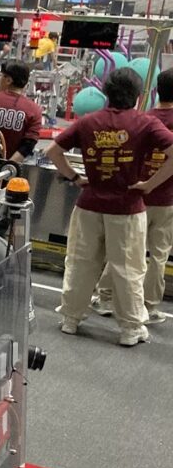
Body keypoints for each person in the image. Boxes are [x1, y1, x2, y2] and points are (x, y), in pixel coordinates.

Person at [46, 68, 173, 347]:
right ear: (138, 96)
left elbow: (53, 151)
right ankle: (130, 329)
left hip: (89, 205)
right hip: (127, 208)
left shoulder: (89, 121)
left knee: (81, 263)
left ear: (106, 92)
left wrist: (75, 177)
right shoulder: (145, 123)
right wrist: (150, 184)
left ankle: (71, 319)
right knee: (128, 268)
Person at [92, 67, 173, 324]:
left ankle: (105, 297)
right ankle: (148, 305)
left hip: (137, 197)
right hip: (167, 199)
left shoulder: (143, 118)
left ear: (156, 90)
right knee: (158, 254)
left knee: (123, 250)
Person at [0, 59, 42, 163]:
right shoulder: (34, 110)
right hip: (10, 168)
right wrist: (7, 166)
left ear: (8, 80)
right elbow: (28, 145)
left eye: (1, 75)